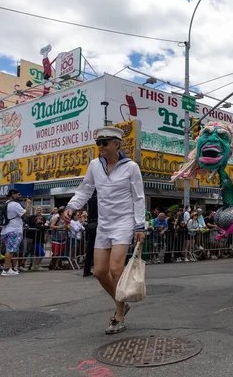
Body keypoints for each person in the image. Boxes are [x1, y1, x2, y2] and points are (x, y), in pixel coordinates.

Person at [63, 126, 146, 335]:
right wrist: (71, 207)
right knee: (100, 271)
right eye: (98, 143)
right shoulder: (94, 165)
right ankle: (122, 302)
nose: (100, 147)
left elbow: (138, 197)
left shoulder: (131, 167)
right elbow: (85, 189)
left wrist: (139, 225)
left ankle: (119, 314)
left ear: (117, 144)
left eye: (105, 143)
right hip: (104, 223)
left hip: (124, 222)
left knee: (116, 268)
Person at [1, 190, 31, 276]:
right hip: (14, 229)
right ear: (12, 195)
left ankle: (8, 268)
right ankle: (6, 269)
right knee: (10, 250)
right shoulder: (15, 204)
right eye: (17, 194)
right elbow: (25, 214)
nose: (19, 195)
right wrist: (28, 205)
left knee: (10, 250)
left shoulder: (6, 203)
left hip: (7, 229)